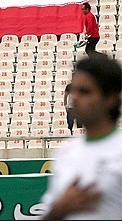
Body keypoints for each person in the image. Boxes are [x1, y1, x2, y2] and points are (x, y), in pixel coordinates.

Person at [41, 56, 122, 220]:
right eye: (74, 91)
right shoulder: (65, 152)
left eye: (85, 91)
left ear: (111, 98)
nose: (75, 98)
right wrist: (61, 208)